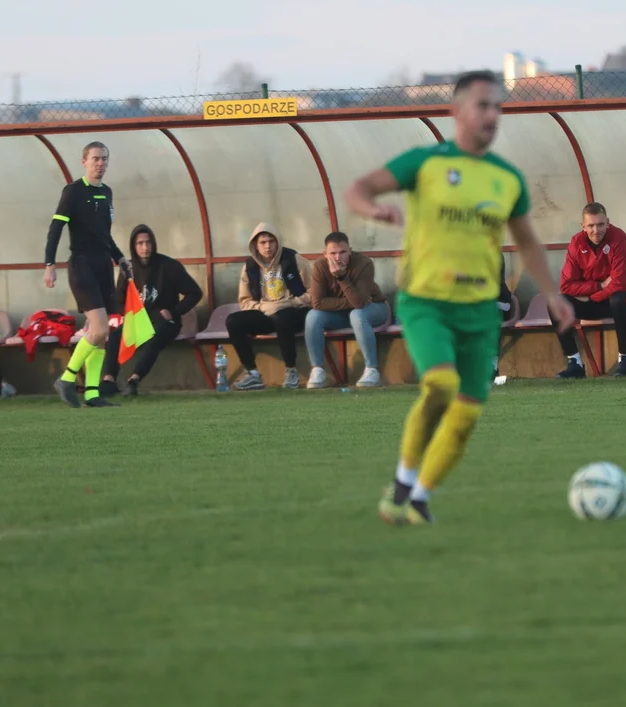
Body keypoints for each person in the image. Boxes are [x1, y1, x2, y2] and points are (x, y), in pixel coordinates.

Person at [344, 70, 575, 526]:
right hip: (427, 302)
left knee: (466, 415)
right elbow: (359, 188)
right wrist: (373, 209)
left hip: (480, 311)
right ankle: (404, 481)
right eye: (483, 105)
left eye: (498, 107)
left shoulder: (506, 178)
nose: (492, 115)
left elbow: (527, 241)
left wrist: (554, 294)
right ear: (457, 111)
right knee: (441, 385)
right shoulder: (424, 163)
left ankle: (419, 499)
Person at [44, 141, 131, 408]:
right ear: (84, 161)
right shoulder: (73, 192)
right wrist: (49, 264)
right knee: (101, 327)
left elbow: (103, 235)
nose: (100, 164)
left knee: (102, 334)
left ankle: (92, 393)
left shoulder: (107, 192)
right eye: (95, 159)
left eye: (104, 159)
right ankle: (67, 379)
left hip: (104, 265)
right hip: (81, 265)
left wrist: (119, 258)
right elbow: (56, 228)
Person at [100, 224, 203, 396]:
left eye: (148, 243)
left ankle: (134, 379)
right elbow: (118, 301)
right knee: (116, 337)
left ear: (153, 244)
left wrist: (175, 311)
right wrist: (130, 315)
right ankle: (109, 380)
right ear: (133, 246)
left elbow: (195, 293)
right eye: (140, 243)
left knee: (155, 336)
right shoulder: (128, 269)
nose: (145, 247)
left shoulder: (169, 266)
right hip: (139, 321)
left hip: (165, 320)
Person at [553, 202, 626, 378]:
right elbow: (566, 285)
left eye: (600, 224)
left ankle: (625, 361)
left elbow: (621, 283)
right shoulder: (576, 242)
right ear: (583, 227)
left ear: (608, 222)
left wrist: (591, 297)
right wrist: (600, 286)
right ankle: (575, 364)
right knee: (555, 303)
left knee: (619, 298)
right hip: (596, 299)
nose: (596, 230)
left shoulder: (619, 238)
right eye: (591, 225)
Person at [226, 223, 313, 390]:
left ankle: (291, 371)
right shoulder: (250, 267)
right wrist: (263, 308)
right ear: (255, 245)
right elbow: (245, 301)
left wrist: (290, 303)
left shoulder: (294, 259)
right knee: (233, 321)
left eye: (271, 241)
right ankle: (252, 374)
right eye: (263, 242)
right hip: (265, 312)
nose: (267, 246)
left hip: (295, 311)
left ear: (278, 242)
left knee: (283, 318)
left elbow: (314, 292)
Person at [304, 231, 389, 389]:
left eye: (343, 252)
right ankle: (317, 370)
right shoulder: (320, 266)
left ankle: (372, 370)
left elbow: (360, 304)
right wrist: (352, 301)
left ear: (350, 250)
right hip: (344, 313)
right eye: (333, 253)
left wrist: (342, 278)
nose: (338, 258)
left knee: (357, 315)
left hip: (375, 309)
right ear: (325, 254)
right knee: (312, 316)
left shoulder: (364, 263)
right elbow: (317, 303)